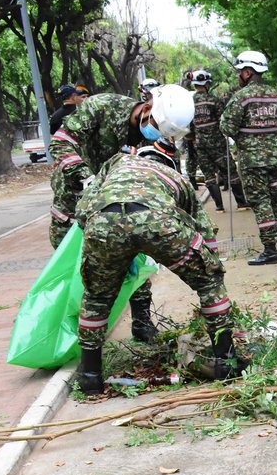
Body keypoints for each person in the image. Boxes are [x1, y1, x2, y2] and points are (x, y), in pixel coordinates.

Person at [72, 133, 246, 395]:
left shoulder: (116, 163)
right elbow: (203, 228)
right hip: (159, 223)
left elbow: (82, 211)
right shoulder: (177, 178)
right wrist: (210, 266)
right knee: (209, 282)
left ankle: (90, 376)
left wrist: (110, 251)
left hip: (104, 224)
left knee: (96, 297)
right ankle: (226, 362)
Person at [48, 84, 189, 341]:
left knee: (134, 254)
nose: (156, 135)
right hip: (73, 199)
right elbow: (60, 143)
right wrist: (86, 178)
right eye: (156, 127)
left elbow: (168, 174)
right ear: (147, 108)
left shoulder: (158, 135)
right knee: (77, 270)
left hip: (119, 204)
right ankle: (73, 334)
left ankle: (142, 323)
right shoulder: (101, 107)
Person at [219, 50, 277, 265]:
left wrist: (244, 136)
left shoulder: (241, 98)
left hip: (252, 162)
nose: (239, 75)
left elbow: (226, 128)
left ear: (248, 72)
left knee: (261, 201)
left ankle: (270, 250)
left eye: (240, 71)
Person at [187, 69, 248, 213]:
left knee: (208, 175)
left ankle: (219, 207)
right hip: (218, 144)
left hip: (200, 145)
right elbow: (223, 121)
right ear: (207, 84)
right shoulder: (214, 100)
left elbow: (188, 128)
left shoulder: (188, 104)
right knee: (230, 172)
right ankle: (241, 204)